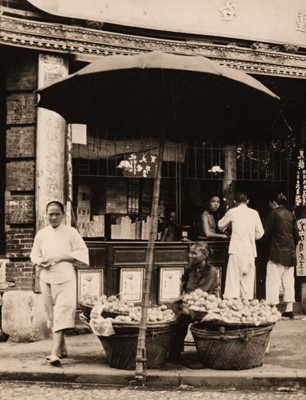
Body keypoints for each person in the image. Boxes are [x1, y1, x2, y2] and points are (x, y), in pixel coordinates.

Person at [30, 201, 89, 366]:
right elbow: (34, 254)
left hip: (65, 278)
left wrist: (61, 257)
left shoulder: (71, 233)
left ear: (63, 215)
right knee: (51, 315)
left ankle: (54, 353)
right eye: (50, 214)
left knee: (62, 313)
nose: (53, 217)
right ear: (46, 215)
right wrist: (40, 261)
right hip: (46, 278)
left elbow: (82, 254)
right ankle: (62, 348)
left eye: (57, 213)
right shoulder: (41, 234)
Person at [169, 242, 219, 362]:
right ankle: (174, 352)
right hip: (189, 302)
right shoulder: (190, 268)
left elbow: (201, 292)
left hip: (205, 305)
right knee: (174, 316)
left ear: (205, 255)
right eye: (190, 252)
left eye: (194, 253)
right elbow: (184, 286)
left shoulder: (211, 271)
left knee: (182, 316)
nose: (190, 255)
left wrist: (179, 299)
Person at [218, 192, 264, 300]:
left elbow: (220, 225)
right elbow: (261, 232)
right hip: (250, 251)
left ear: (235, 202)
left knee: (233, 281)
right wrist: (252, 238)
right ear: (247, 201)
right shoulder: (254, 213)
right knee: (247, 283)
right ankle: (246, 306)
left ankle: (233, 307)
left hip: (236, 250)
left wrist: (228, 228)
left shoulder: (232, 211)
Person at [264, 193, 299, 319]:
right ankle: (289, 309)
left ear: (273, 202)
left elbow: (266, 233)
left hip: (276, 253)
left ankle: (273, 308)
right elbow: (297, 236)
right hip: (290, 254)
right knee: (288, 281)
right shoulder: (291, 215)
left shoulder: (273, 213)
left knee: (273, 280)